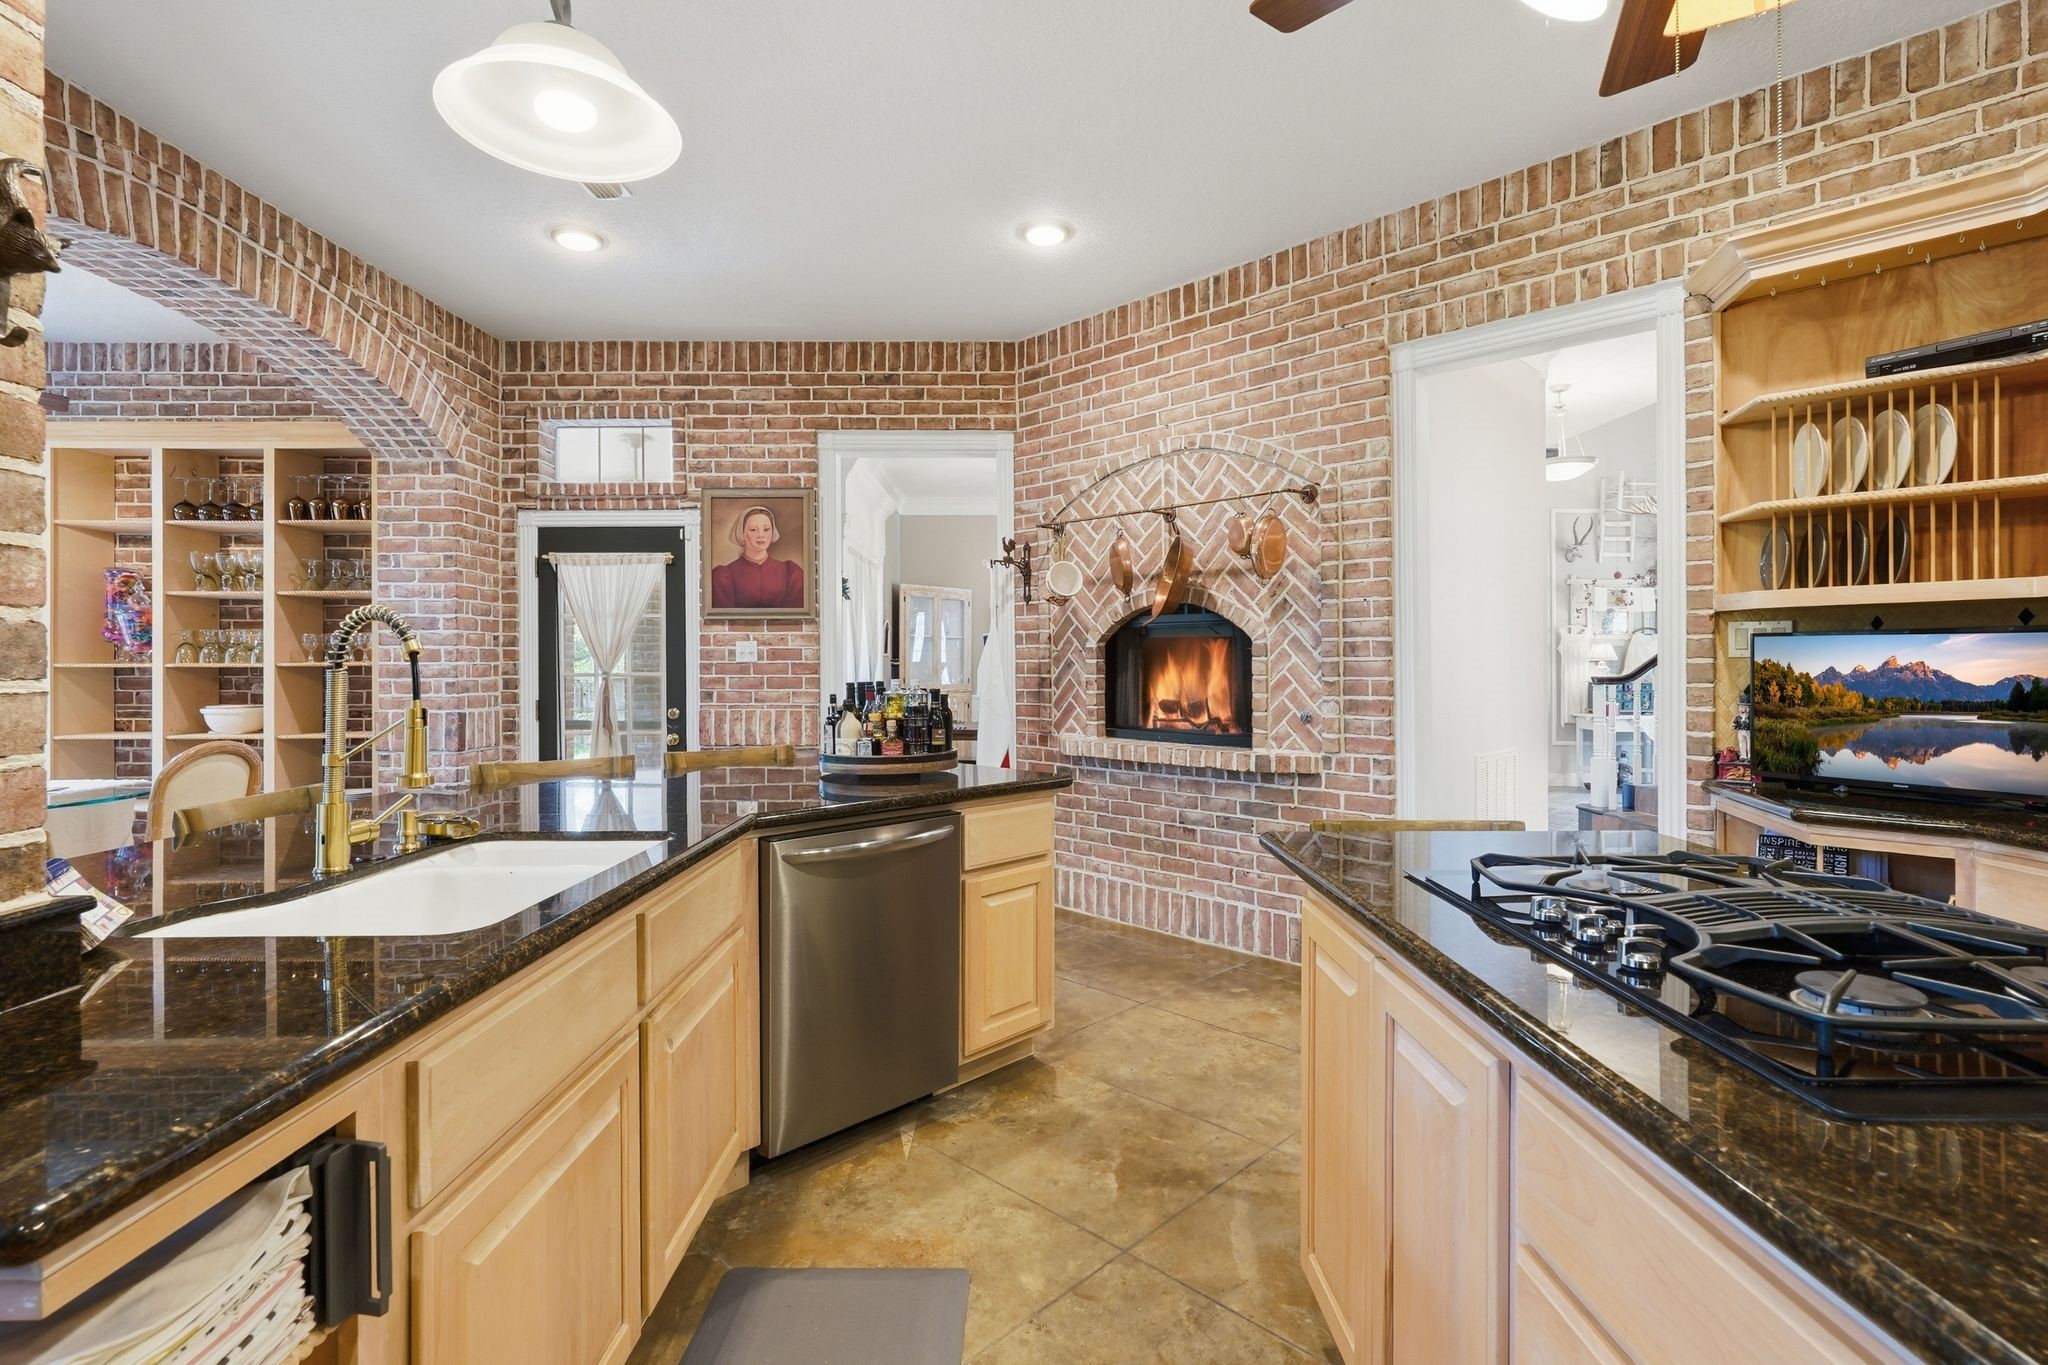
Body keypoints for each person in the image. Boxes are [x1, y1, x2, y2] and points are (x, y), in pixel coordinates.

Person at [711, 503, 805, 610]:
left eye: (766, 529)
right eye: (753, 530)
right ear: (742, 534)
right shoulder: (723, 576)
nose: (761, 535)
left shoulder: (791, 572)